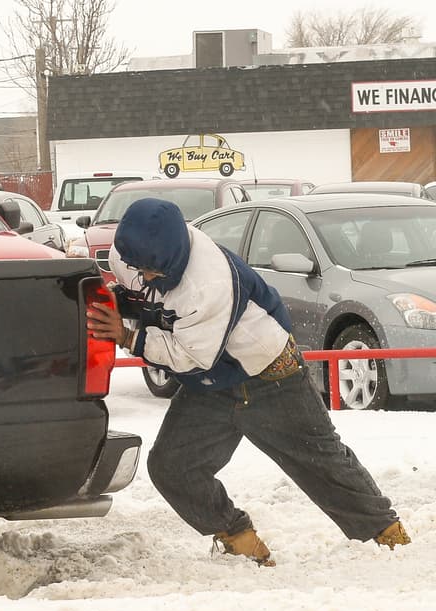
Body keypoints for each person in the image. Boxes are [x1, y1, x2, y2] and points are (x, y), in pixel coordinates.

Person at [86, 197, 410, 565]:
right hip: (211, 387)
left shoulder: (209, 282)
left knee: (322, 462)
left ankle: (388, 538)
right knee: (172, 467)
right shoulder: (131, 255)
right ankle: (240, 540)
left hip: (270, 375)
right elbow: (138, 293)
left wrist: (129, 337)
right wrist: (120, 302)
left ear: (173, 260)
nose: (141, 277)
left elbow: (191, 356)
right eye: (137, 269)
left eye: (151, 273)